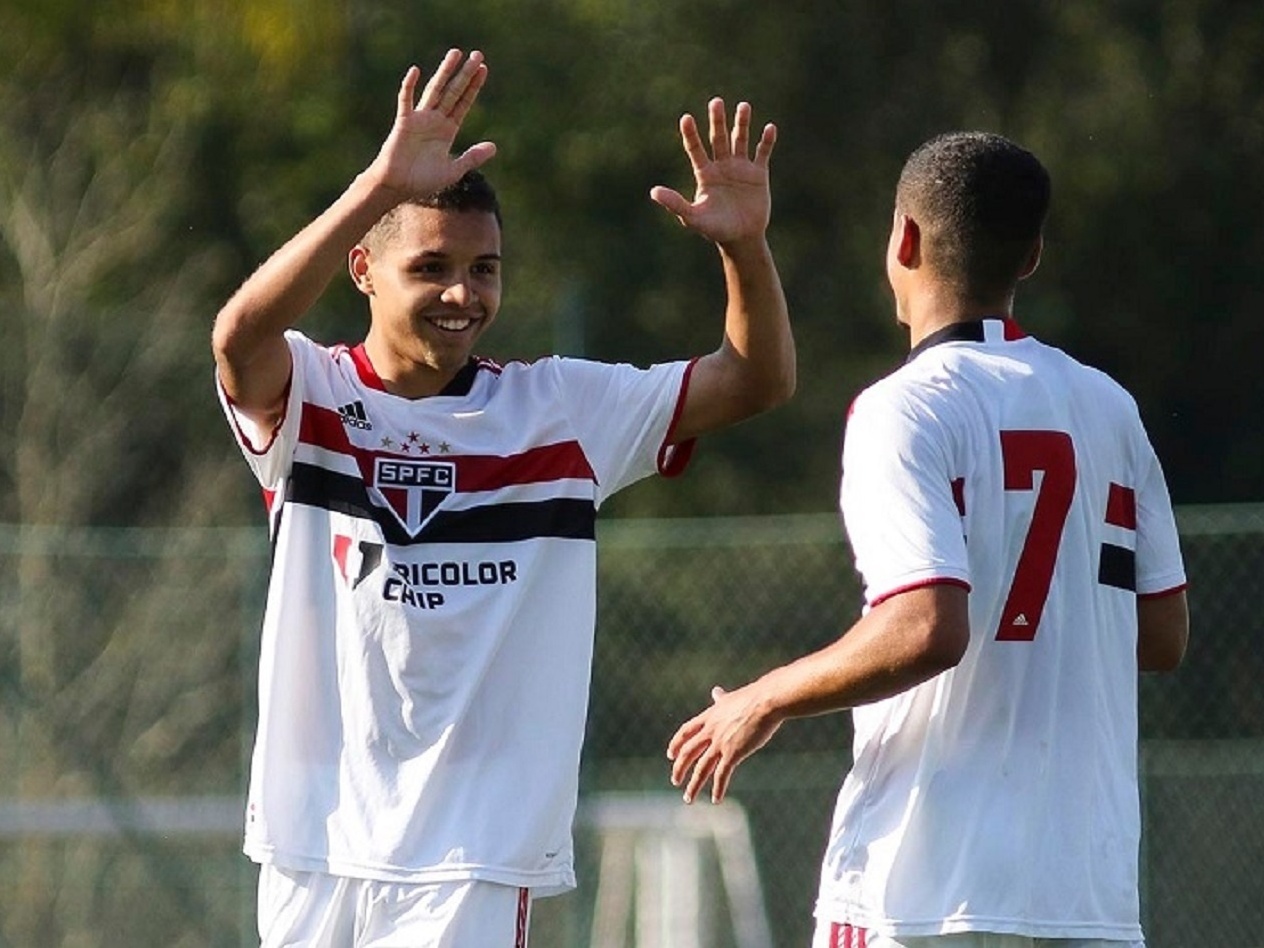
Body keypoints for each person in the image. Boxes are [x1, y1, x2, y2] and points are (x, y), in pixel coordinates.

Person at [211, 48, 793, 947]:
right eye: (431, 267)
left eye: (485, 269)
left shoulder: (556, 409)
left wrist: (744, 248)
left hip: (472, 856)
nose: (462, 293)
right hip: (311, 842)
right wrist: (376, 185)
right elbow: (237, 336)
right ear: (363, 269)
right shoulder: (313, 394)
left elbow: (754, 379)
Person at [667, 131, 1189, 948]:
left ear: (902, 240)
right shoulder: (1110, 408)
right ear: (1032, 257)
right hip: (1085, 896)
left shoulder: (904, 407)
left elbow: (925, 627)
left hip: (924, 891)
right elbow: (1161, 635)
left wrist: (763, 696)